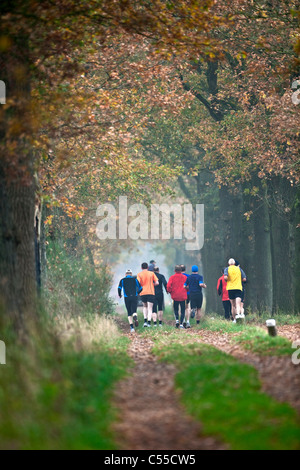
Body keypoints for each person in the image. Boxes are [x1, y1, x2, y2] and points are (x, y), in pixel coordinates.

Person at [224, 258, 247, 323]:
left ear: (229, 264)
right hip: (238, 288)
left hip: (230, 288)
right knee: (238, 304)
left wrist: (227, 280)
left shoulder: (227, 269)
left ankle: (234, 320)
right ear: (234, 263)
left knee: (233, 305)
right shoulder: (239, 269)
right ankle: (239, 315)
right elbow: (244, 279)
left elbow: (225, 277)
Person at [137, 262, 159, 327]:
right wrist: (152, 284)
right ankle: (149, 322)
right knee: (150, 308)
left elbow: (138, 283)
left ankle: (145, 322)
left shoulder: (139, 274)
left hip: (143, 292)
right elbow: (157, 283)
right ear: (148, 267)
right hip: (151, 292)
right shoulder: (152, 273)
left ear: (141, 267)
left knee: (145, 307)